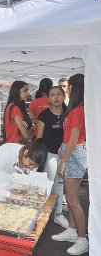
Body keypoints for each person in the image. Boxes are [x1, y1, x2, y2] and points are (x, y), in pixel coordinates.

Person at [52, 74, 88, 255]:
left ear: (74, 88)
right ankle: (73, 231)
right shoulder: (77, 109)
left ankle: (82, 239)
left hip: (73, 154)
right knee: (71, 196)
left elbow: (73, 141)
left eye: (68, 86)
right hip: (71, 152)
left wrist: (63, 161)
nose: (66, 89)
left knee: (72, 200)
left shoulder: (78, 110)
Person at [36, 86, 68, 229]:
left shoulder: (68, 114)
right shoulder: (43, 115)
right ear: (48, 98)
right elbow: (39, 138)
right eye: (52, 95)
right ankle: (42, 213)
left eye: (59, 94)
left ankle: (58, 214)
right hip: (49, 154)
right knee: (48, 184)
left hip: (65, 155)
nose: (56, 97)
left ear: (63, 96)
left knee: (60, 185)